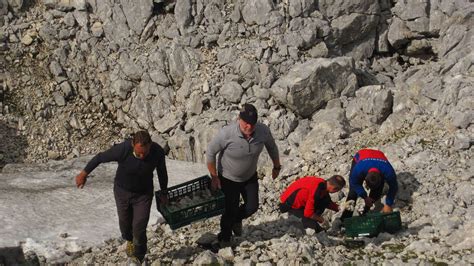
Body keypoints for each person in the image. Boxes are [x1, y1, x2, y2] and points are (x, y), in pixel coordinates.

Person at [75, 130, 169, 263]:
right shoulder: (123, 149)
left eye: (145, 152)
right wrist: (83, 174)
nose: (142, 156)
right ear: (132, 145)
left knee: (139, 226)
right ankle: (129, 239)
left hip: (143, 194)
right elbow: (100, 158)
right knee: (125, 224)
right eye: (138, 153)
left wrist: (164, 192)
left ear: (150, 145)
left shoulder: (157, 152)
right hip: (122, 191)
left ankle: (138, 257)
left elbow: (162, 172)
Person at [206, 103, 281, 246]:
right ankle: (224, 238)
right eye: (246, 123)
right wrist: (214, 176)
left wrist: (276, 166)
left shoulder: (262, 131)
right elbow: (210, 152)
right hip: (228, 178)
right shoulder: (227, 133)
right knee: (229, 210)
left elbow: (272, 147)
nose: (249, 127)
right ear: (239, 119)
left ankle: (236, 220)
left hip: (249, 177)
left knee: (252, 206)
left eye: (252, 123)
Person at [340, 148, 398, 221]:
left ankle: (366, 213)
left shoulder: (388, 171)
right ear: (364, 179)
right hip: (361, 155)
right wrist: (364, 196)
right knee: (353, 193)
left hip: (378, 156)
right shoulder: (358, 169)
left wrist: (388, 204)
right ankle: (345, 218)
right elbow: (354, 183)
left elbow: (394, 187)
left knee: (376, 193)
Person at [279, 175, 346, 231]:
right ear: (334, 188)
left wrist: (339, 208)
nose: (336, 192)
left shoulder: (322, 184)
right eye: (338, 190)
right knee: (314, 229)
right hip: (288, 206)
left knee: (321, 204)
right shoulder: (316, 190)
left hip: (298, 203)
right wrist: (322, 220)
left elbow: (326, 201)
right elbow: (308, 213)